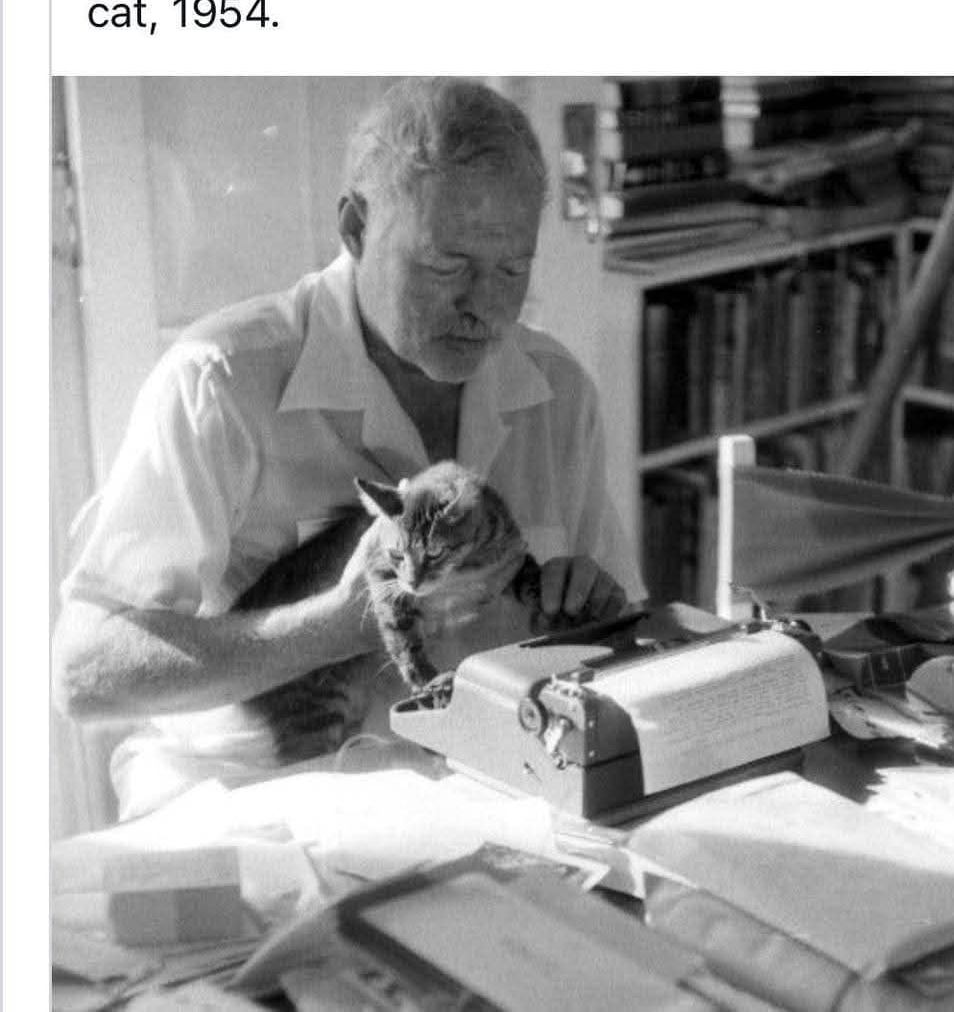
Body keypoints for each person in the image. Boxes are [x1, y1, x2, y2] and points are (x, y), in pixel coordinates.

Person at [53, 78, 644, 815]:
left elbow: (621, 633)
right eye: (444, 266)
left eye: (511, 272)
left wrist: (600, 619)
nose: (483, 308)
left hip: (480, 793)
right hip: (249, 796)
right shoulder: (220, 383)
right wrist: (327, 627)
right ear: (357, 227)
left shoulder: (559, 391)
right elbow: (83, 673)